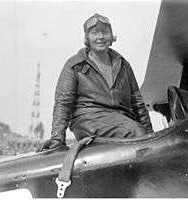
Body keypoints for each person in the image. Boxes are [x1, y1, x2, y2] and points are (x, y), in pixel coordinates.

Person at [37, 13, 153, 152]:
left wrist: (150, 135)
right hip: (88, 119)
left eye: (105, 32)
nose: (100, 37)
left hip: (121, 119)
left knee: (142, 135)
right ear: (87, 38)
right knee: (136, 133)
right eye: (95, 33)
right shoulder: (75, 65)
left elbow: (137, 101)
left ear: (111, 36)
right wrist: (57, 137)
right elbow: (63, 102)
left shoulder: (122, 64)